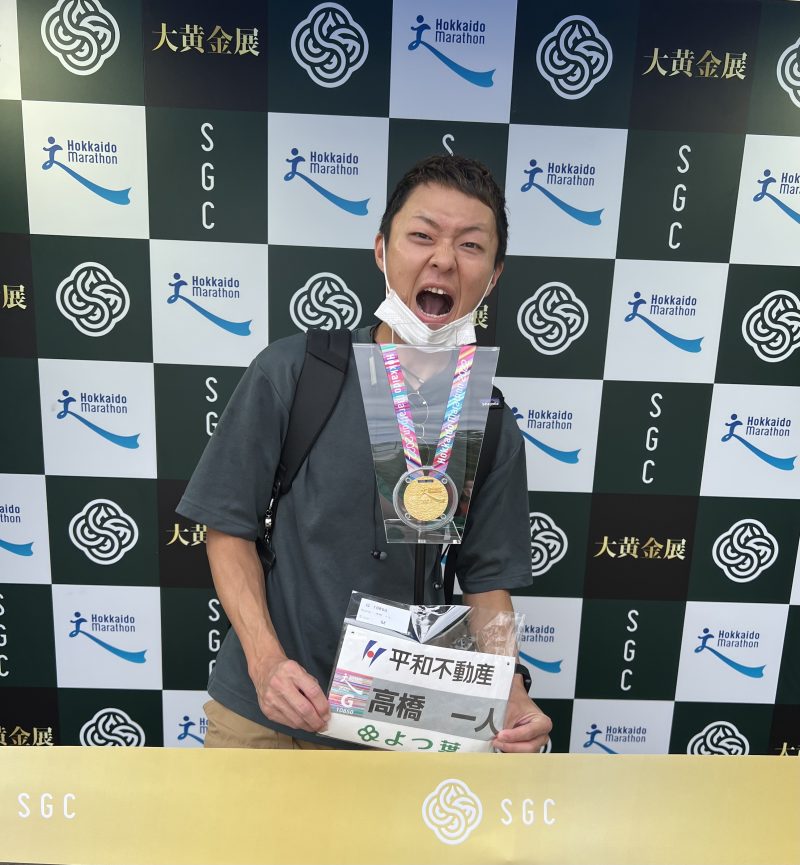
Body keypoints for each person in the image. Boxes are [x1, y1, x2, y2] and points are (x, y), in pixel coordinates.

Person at [177, 155, 553, 753]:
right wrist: (266, 664)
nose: (444, 259)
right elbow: (227, 529)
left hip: (403, 722)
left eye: (471, 245)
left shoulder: (488, 418)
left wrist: (509, 693)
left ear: (494, 273)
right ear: (382, 250)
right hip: (267, 720)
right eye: (422, 236)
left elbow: (485, 583)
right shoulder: (296, 371)